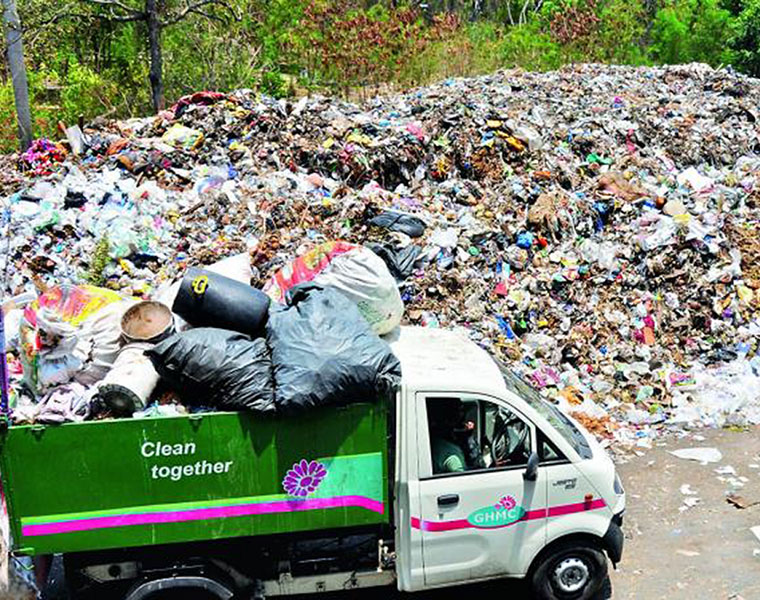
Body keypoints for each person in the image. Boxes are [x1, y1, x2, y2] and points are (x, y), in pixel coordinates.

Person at [429, 399, 477, 474]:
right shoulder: (450, 453)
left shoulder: (434, 440)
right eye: (460, 411)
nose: (463, 415)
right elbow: (463, 478)